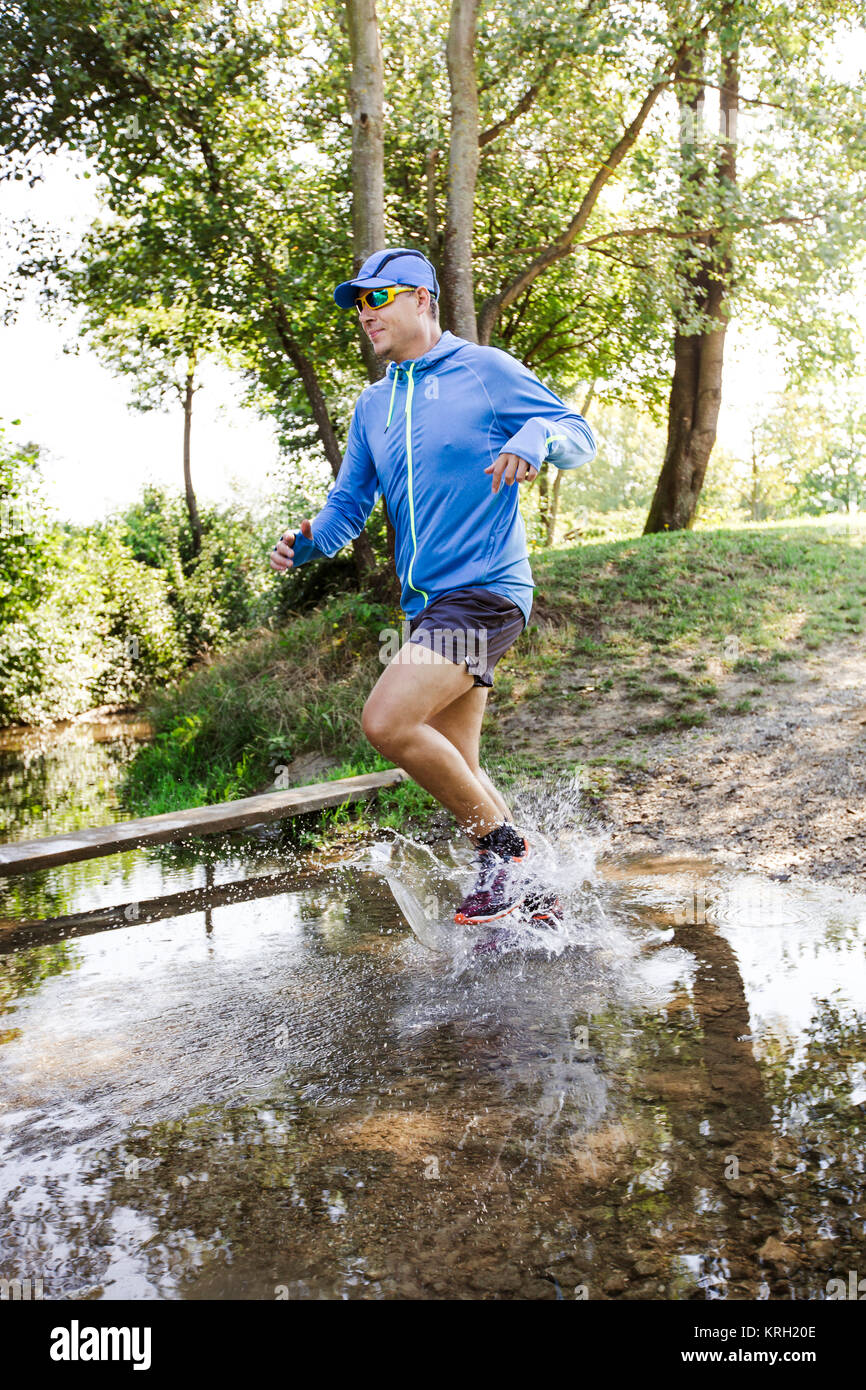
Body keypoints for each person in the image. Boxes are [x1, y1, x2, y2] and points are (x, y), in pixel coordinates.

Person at [270, 247, 596, 929]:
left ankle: (506, 857)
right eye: (356, 304)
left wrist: (533, 436)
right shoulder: (374, 405)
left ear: (421, 298)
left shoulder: (485, 372)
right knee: (464, 768)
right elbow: (347, 506)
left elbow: (577, 435)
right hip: (427, 606)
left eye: (376, 298)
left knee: (386, 722)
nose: (364, 314)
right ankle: (537, 900)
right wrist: (308, 545)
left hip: (486, 588)